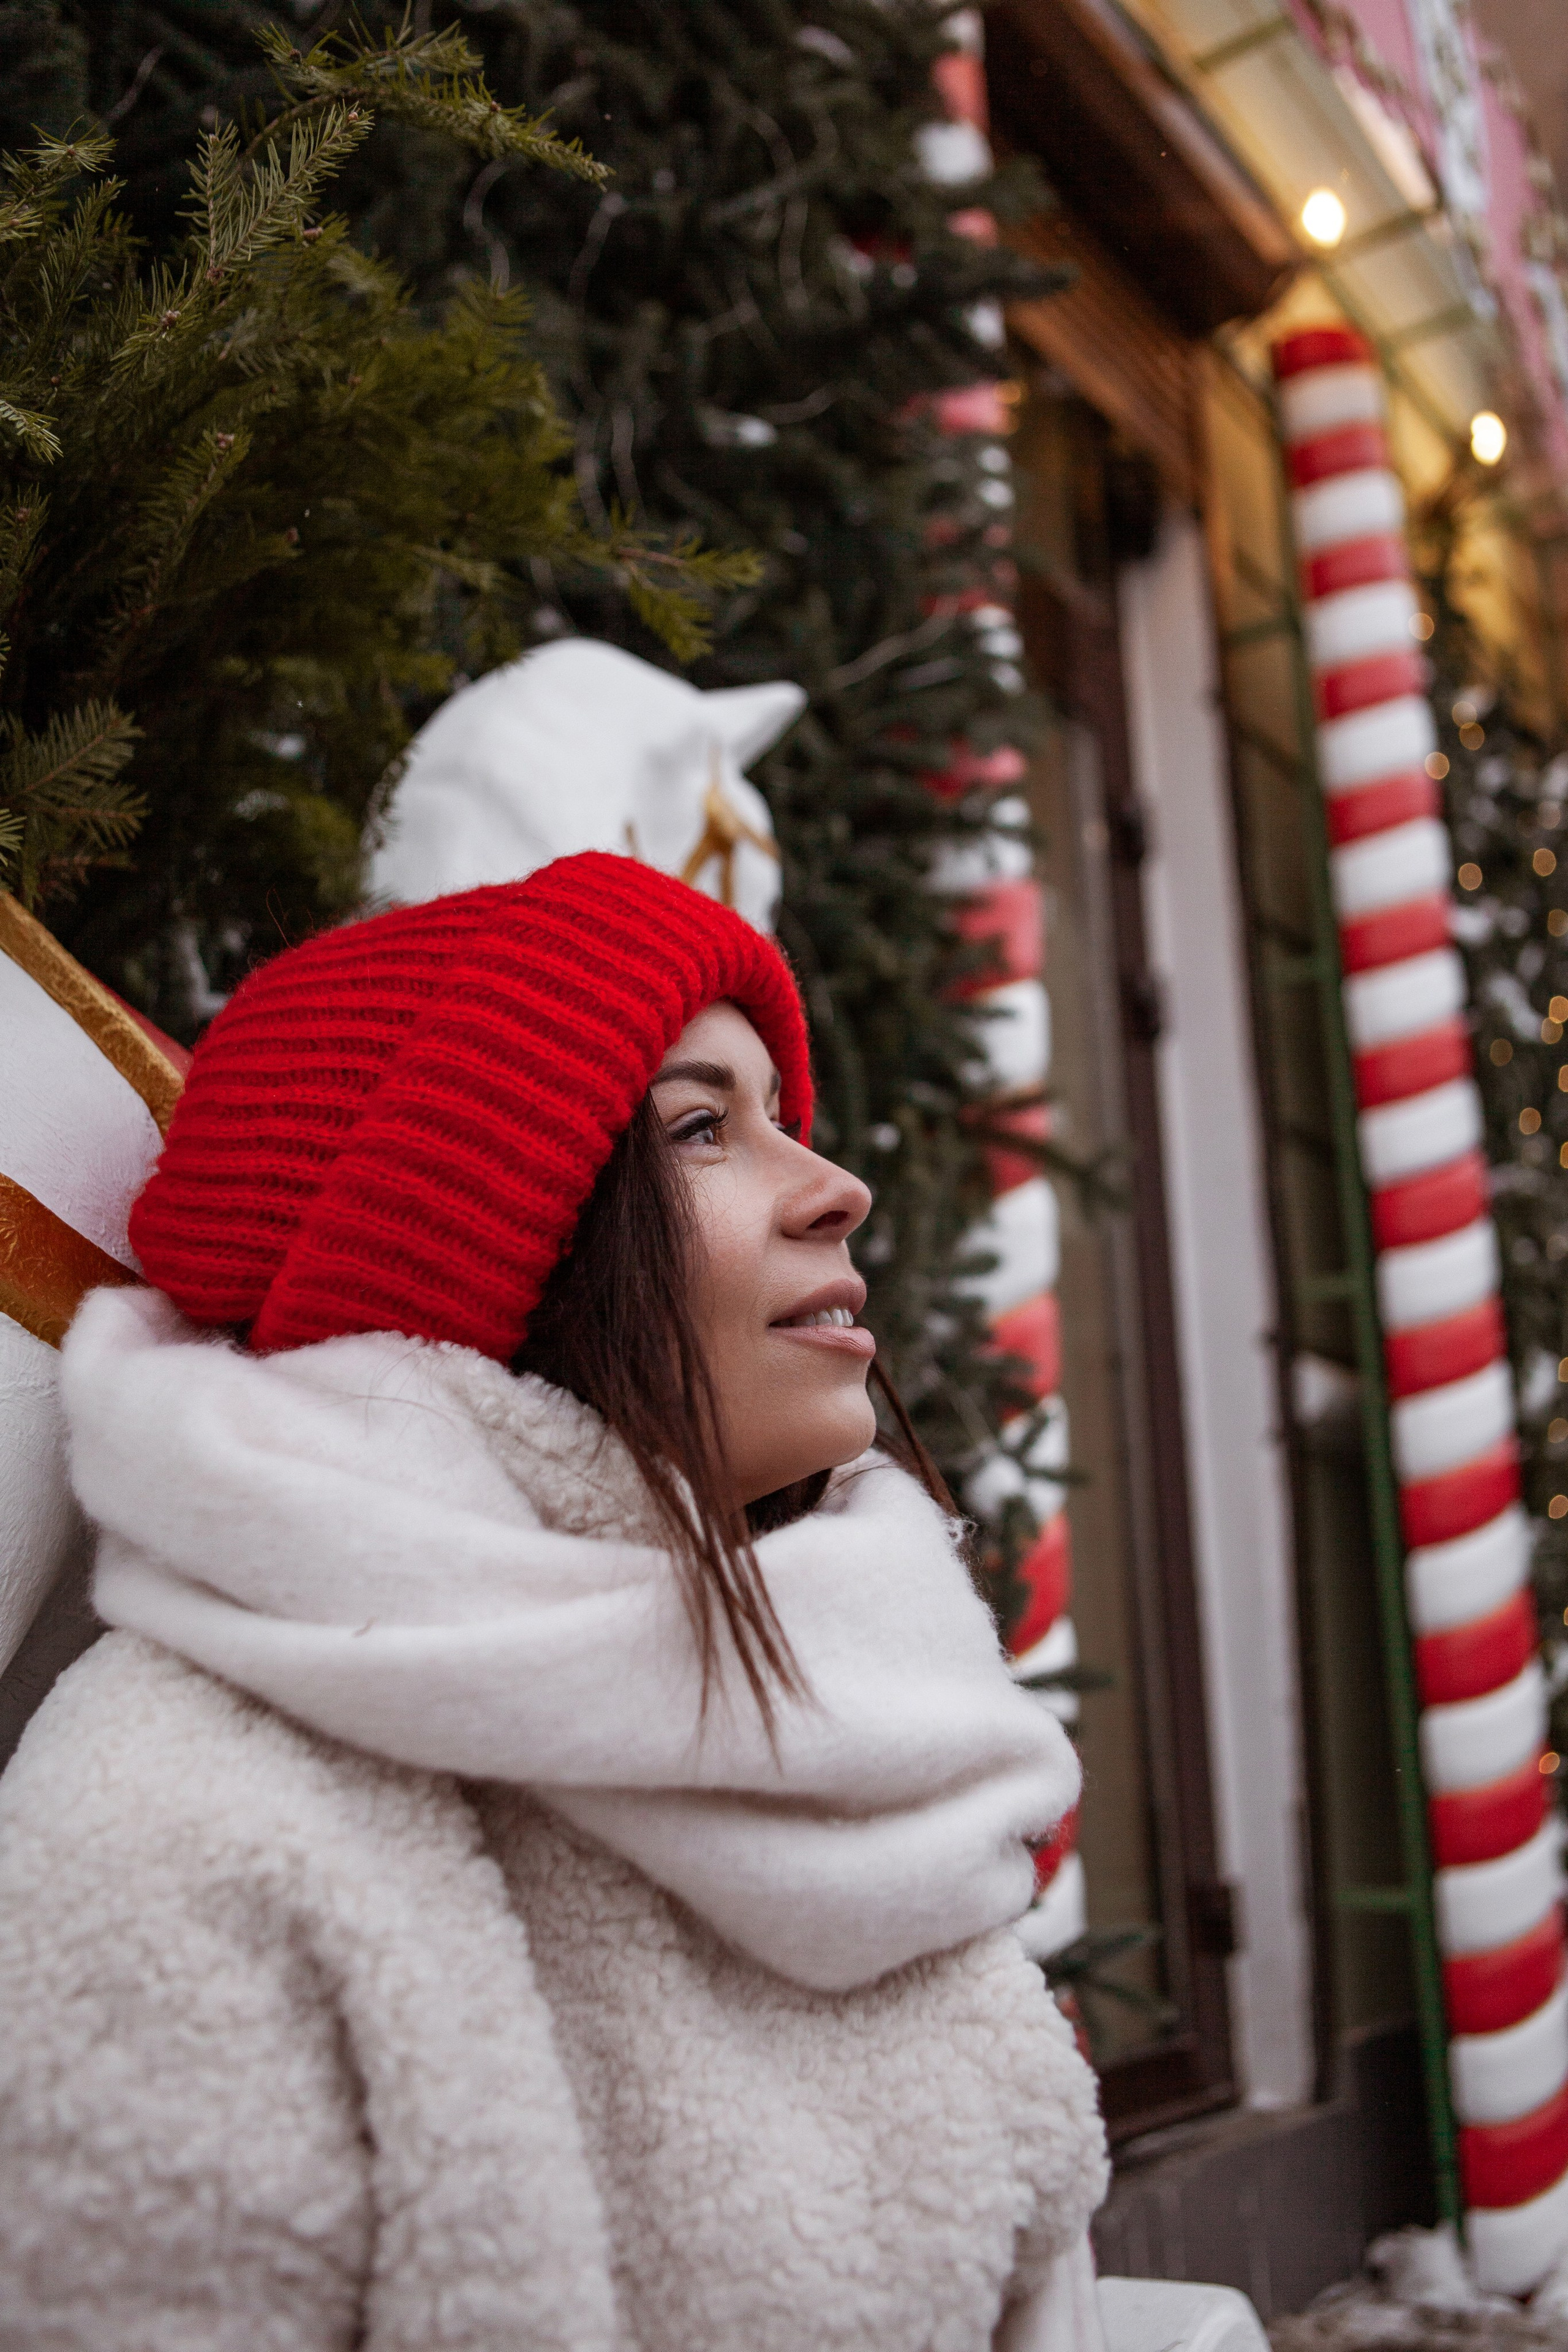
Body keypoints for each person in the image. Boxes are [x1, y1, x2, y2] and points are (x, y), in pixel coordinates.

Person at [0, 851, 1107, 2351]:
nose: (835, 1188)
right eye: (704, 1128)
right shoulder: (182, 1826)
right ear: (470, 1236)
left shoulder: (871, 1731)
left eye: (780, 1118)